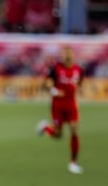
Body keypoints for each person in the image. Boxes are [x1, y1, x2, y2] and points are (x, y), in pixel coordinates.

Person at [36, 45, 84, 174]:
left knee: (74, 130)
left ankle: (73, 163)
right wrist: (54, 91)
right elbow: (45, 84)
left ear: (73, 54)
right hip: (58, 105)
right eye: (64, 53)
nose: (67, 55)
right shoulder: (55, 69)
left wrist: (78, 90)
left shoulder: (78, 69)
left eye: (69, 53)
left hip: (71, 104)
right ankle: (45, 127)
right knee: (58, 134)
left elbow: (79, 83)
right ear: (62, 55)